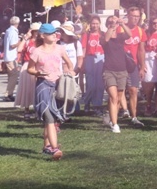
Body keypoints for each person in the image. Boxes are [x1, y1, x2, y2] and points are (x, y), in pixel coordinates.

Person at [28, 23, 75, 160]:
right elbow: (29, 69)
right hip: (43, 86)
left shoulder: (60, 49)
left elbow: (69, 64)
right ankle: (55, 149)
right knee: (49, 118)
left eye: (56, 33)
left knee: (53, 118)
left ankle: (46, 146)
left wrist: (68, 71)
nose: (55, 35)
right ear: (42, 36)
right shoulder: (37, 51)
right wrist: (38, 73)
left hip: (58, 86)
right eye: (51, 33)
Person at [101, 16, 129, 133]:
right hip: (109, 71)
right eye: (111, 21)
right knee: (113, 96)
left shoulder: (120, 37)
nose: (113, 22)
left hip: (122, 71)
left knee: (118, 98)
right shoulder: (103, 37)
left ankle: (113, 120)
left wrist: (122, 24)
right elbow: (106, 39)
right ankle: (115, 124)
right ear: (108, 24)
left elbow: (129, 34)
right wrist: (112, 26)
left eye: (114, 21)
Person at [121, 7, 146, 127]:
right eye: (133, 16)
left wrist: (142, 66)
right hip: (120, 64)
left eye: (137, 16)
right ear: (128, 16)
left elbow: (141, 50)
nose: (135, 18)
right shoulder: (120, 28)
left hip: (133, 65)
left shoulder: (140, 31)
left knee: (133, 90)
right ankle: (113, 117)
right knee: (118, 91)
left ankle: (134, 117)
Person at [14, 23, 40, 119]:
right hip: (27, 64)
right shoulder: (28, 41)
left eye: (38, 31)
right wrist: (25, 38)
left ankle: (38, 109)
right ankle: (26, 109)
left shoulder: (41, 42)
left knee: (37, 87)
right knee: (27, 88)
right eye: (35, 31)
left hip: (37, 65)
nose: (37, 33)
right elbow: (19, 49)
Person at [81, 16, 105, 115]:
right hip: (90, 58)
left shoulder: (103, 35)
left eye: (97, 23)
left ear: (99, 24)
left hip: (101, 58)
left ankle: (97, 105)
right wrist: (82, 62)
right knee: (90, 84)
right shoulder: (86, 35)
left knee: (99, 84)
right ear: (90, 24)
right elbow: (83, 49)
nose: (95, 25)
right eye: (93, 23)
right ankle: (87, 102)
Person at [142, 17, 157, 116]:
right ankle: (148, 105)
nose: (156, 25)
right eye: (154, 23)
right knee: (149, 85)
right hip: (148, 60)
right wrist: (142, 64)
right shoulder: (146, 34)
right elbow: (141, 49)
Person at [3, 16, 22, 101]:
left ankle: (9, 93)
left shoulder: (8, 30)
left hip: (8, 56)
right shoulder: (13, 32)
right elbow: (12, 45)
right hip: (11, 57)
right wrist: (20, 41)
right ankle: (8, 94)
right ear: (18, 23)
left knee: (11, 76)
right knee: (14, 75)